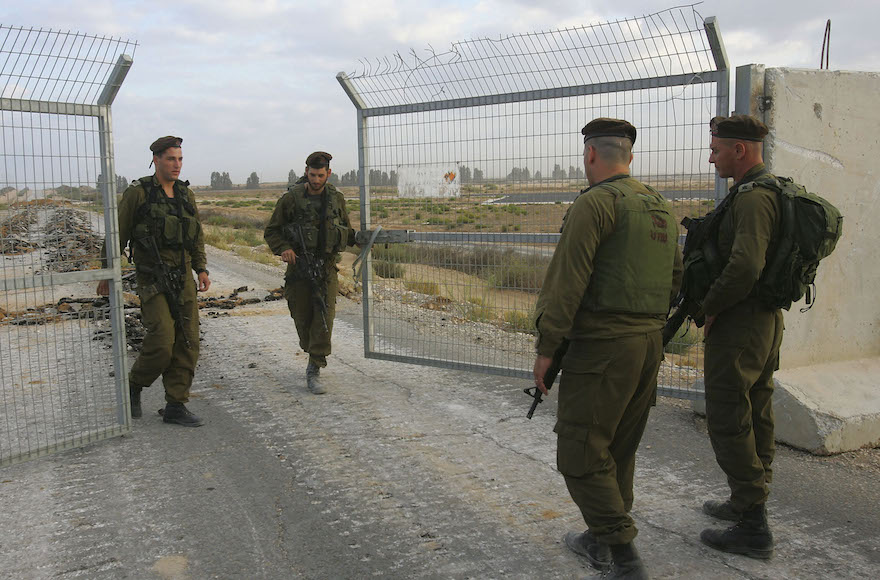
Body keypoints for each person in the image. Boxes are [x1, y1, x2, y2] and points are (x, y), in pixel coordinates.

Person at [532, 118, 682, 579]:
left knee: (578, 453)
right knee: (617, 446)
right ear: (629, 155)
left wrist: (547, 347)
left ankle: (623, 555)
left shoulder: (594, 205)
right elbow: (676, 280)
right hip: (648, 344)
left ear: (590, 154)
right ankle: (599, 537)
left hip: (601, 348)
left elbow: (566, 285)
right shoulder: (659, 207)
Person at [697, 115, 782, 560]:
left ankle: (753, 526)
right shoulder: (772, 189)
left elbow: (745, 266)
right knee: (757, 407)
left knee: (730, 413)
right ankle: (748, 500)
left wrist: (711, 304)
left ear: (740, 151)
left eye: (717, 149)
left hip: (742, 318)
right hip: (764, 319)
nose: (712, 156)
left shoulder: (751, 199)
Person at [98, 136, 210, 427]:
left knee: (188, 341)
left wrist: (201, 268)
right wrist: (106, 272)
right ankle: (134, 384)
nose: (177, 165)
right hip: (153, 277)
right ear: (156, 159)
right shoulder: (139, 193)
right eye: (171, 159)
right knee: (162, 340)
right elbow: (117, 233)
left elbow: (195, 235)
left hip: (183, 276)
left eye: (180, 159)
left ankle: (175, 405)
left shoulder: (186, 195)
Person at [264, 151, 356, 394]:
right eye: (312, 175)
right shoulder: (291, 199)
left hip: (326, 268)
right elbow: (272, 231)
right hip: (299, 269)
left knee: (324, 320)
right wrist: (284, 248)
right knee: (302, 318)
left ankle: (315, 367)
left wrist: (367, 238)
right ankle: (311, 349)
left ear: (329, 173)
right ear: (306, 172)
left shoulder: (336, 199)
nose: (316, 180)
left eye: (321, 175)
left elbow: (346, 228)